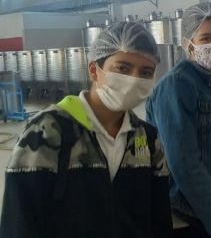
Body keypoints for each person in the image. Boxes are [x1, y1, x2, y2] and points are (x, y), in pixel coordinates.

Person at [0, 22, 171, 238]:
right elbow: (20, 222)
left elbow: (159, 220)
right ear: (94, 71)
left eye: (145, 72)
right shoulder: (46, 132)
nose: (133, 79)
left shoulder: (147, 139)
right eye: (123, 68)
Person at [146, 2, 211, 238]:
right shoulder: (177, 85)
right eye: (206, 38)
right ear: (188, 45)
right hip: (188, 217)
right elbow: (186, 166)